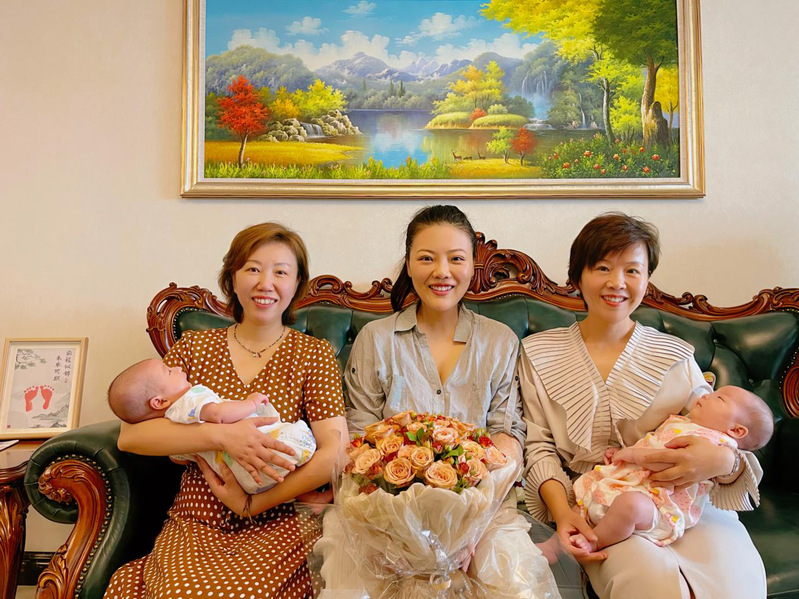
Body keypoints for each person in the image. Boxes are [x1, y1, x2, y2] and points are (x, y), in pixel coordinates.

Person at [519, 212, 767, 598]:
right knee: (652, 585)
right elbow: (539, 447)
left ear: (647, 280)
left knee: (735, 583)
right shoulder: (538, 353)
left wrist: (725, 461)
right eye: (603, 267)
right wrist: (564, 514)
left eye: (632, 270)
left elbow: (719, 433)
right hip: (604, 508)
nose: (617, 282)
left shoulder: (675, 354)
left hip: (685, 504)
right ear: (577, 276)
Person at [318, 205, 559, 598]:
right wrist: (393, 530)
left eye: (456, 259)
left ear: (473, 265)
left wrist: (469, 528)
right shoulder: (376, 339)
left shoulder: (499, 341)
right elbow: (357, 439)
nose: (442, 272)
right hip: (379, 513)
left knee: (511, 580)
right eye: (427, 258)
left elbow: (507, 436)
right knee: (357, 579)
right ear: (409, 264)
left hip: (484, 513)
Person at [103, 223, 348, 599]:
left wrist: (253, 503)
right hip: (198, 517)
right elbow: (132, 435)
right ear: (232, 277)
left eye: (281, 272)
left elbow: (336, 450)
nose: (265, 283)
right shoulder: (194, 348)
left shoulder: (313, 354)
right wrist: (221, 435)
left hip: (281, 518)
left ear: (297, 283)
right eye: (253, 269)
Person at [571, 385, 773, 552]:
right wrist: (622, 452)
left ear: (736, 430)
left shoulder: (714, 442)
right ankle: (562, 543)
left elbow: (668, 461)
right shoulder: (684, 422)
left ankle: (595, 541)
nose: (706, 394)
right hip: (631, 482)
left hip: (659, 503)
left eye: (719, 398)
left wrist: (631, 455)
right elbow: (652, 442)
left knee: (630, 506)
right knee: (584, 493)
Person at [107, 358, 317, 493]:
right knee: (295, 436)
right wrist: (251, 403)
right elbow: (219, 414)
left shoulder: (170, 424)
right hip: (266, 455)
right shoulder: (190, 399)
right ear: (159, 402)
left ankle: (308, 495)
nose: (177, 367)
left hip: (245, 481)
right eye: (169, 371)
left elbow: (179, 458)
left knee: (282, 470)